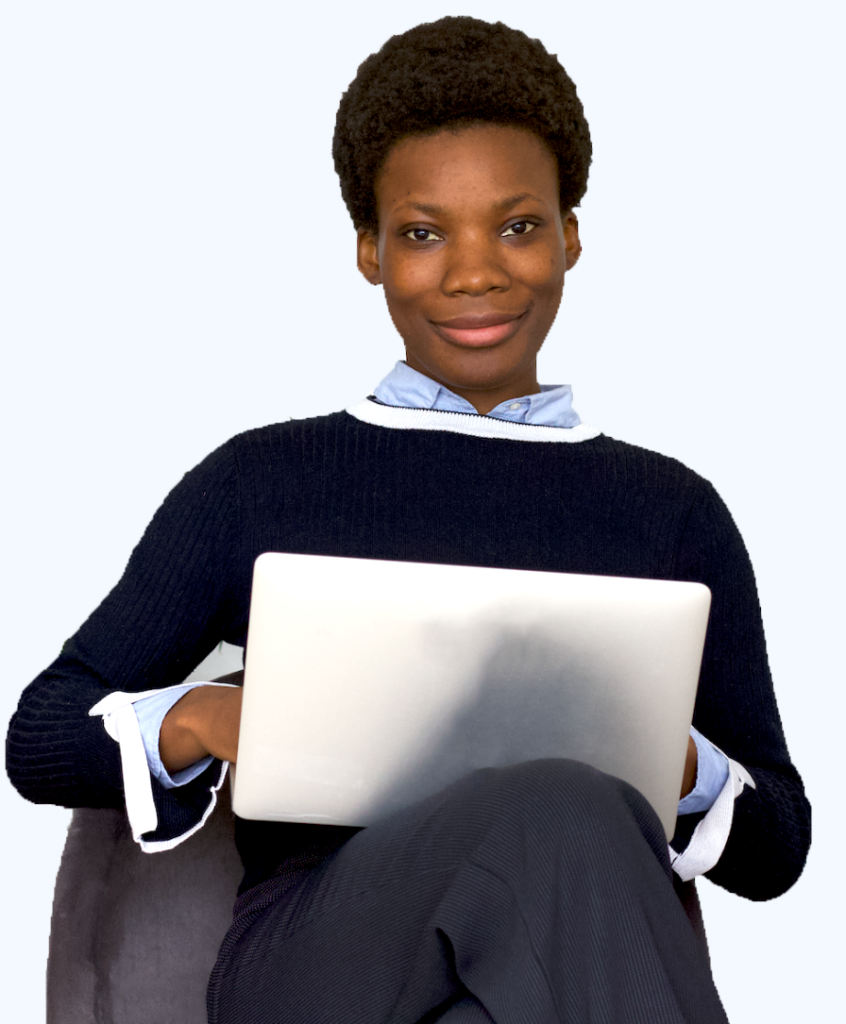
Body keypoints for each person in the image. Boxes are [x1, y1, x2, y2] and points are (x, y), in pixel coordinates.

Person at [6, 16, 810, 1024]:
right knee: (560, 805)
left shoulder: (671, 513)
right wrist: (210, 716)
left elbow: (779, 848)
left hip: (561, 943)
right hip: (320, 956)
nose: (475, 272)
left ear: (570, 234)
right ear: (370, 252)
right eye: (425, 233)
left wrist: (671, 759)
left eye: (517, 225)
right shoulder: (263, 481)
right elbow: (38, 737)